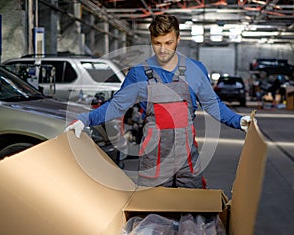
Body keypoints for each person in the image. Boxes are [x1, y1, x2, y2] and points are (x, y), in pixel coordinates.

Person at [65, 13, 252, 188]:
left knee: (195, 209)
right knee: (152, 212)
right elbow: (116, 106)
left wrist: (237, 120)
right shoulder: (139, 73)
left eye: (169, 43)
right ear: (151, 41)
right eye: (157, 43)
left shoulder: (196, 69)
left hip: (187, 158)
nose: (163, 50)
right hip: (153, 160)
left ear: (178, 39)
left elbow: (212, 104)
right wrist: (85, 119)